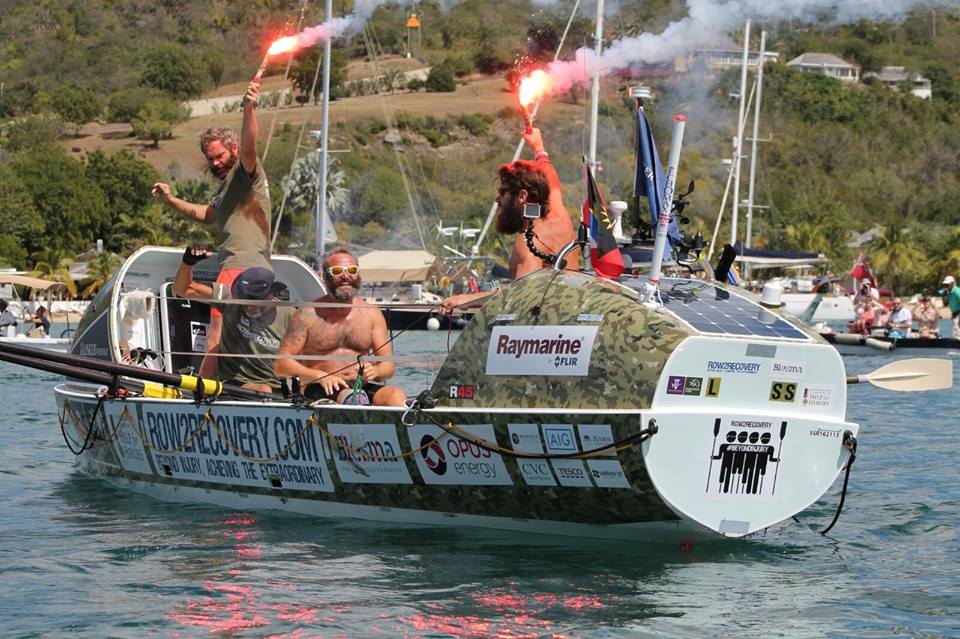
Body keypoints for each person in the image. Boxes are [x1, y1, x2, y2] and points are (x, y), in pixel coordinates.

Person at [151, 80, 271, 375]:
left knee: (214, 339)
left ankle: (205, 401)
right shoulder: (227, 189)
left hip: (239, 267)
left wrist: (248, 108)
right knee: (245, 338)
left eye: (220, 156)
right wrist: (170, 199)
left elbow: (250, 146)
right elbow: (205, 214)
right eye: (210, 159)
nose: (216, 163)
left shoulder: (245, 173)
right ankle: (246, 388)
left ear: (233, 149)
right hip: (251, 267)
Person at [441, 127, 575, 313]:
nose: (497, 199)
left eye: (503, 192)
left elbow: (521, 294)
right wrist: (539, 149)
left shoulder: (529, 242)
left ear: (522, 196)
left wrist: (467, 299)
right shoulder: (559, 216)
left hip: (541, 331)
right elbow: (551, 179)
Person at [274, 248, 406, 407]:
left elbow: (388, 367)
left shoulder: (372, 314)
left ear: (358, 275)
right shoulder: (306, 315)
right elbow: (281, 365)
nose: (345, 275)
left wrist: (376, 372)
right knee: (350, 397)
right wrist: (319, 375)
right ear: (325, 276)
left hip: (359, 385)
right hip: (319, 387)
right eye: (337, 271)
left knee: (395, 396)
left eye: (351, 270)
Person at [174, 245, 293, 394]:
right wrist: (188, 262)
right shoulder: (231, 300)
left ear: (272, 294)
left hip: (279, 388)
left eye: (254, 300)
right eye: (244, 299)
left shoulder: (290, 316)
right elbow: (184, 289)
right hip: (233, 383)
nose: (247, 306)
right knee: (263, 390)